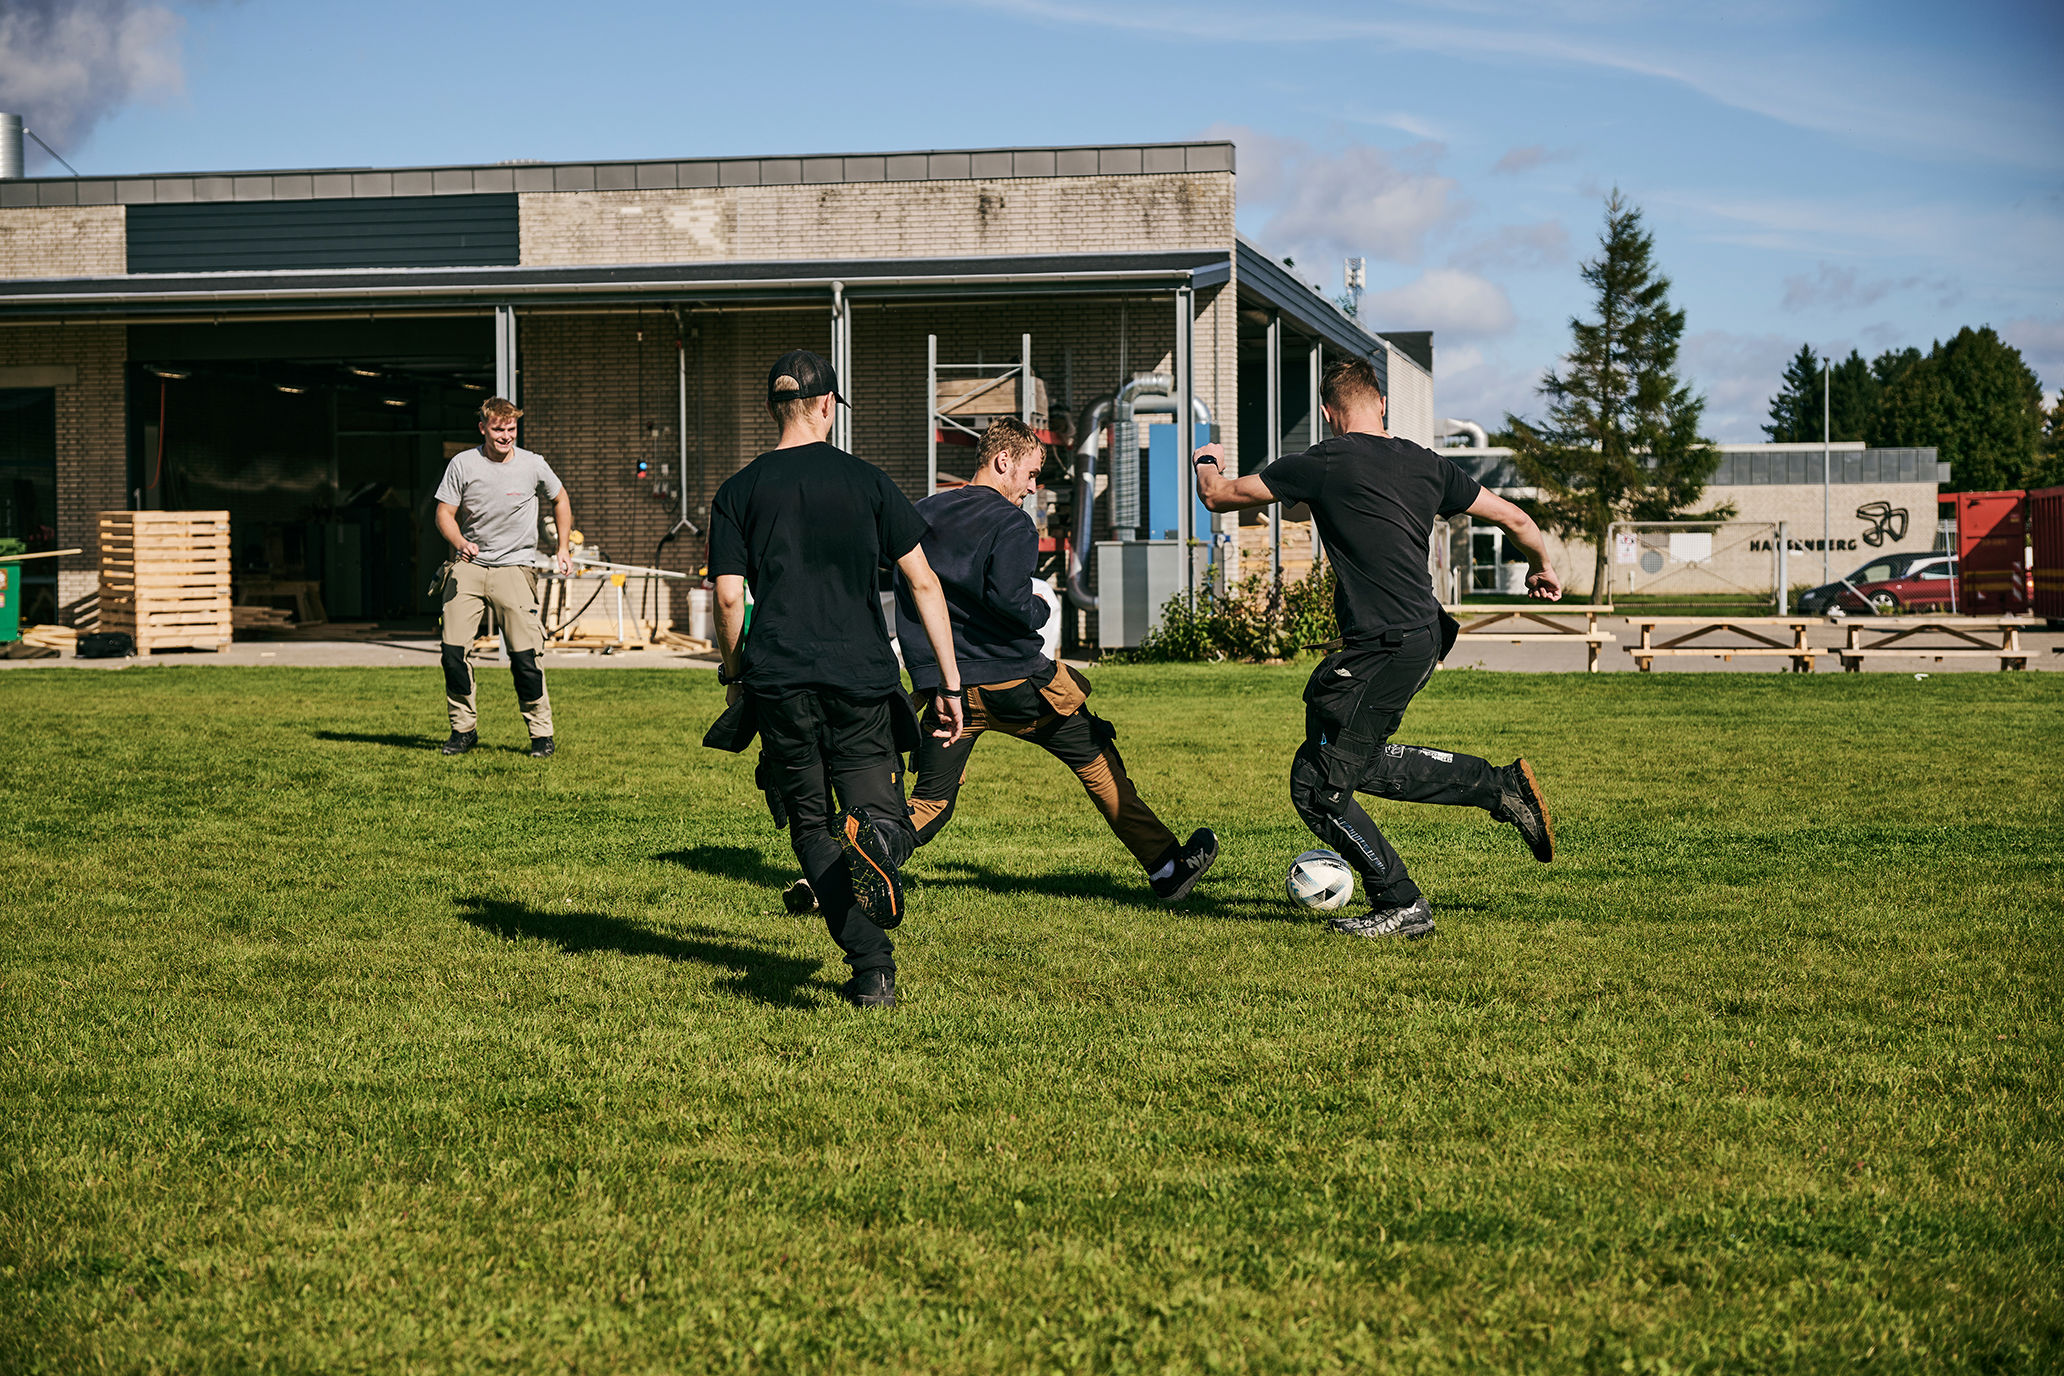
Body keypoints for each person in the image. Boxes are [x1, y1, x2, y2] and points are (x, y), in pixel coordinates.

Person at [1195, 358, 1559, 942]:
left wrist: (1204, 457)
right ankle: (1499, 788)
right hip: (1421, 636)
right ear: (1382, 404)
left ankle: (1403, 903)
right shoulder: (1426, 464)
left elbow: (1216, 496)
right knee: (1355, 762)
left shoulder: (1323, 461)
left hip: (1383, 644)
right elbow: (1515, 516)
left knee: (1318, 785)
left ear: (1326, 413)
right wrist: (1542, 567)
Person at [708, 349, 966, 1010]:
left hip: (781, 681)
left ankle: (871, 966)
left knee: (811, 826)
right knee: (876, 808)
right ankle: (880, 838)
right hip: (860, 677)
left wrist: (735, 672)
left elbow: (731, 599)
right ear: (827, 406)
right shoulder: (869, 482)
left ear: (775, 409)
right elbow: (923, 582)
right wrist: (950, 684)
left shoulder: (738, 492)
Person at [889, 416, 1218, 902]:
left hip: (947, 691)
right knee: (1096, 757)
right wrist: (1040, 606)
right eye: (1031, 473)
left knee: (929, 802)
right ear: (1004, 461)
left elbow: (911, 589)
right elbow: (1009, 600)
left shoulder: (921, 513)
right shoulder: (1010, 521)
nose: (1032, 487)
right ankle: (1168, 866)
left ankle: (842, 872)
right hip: (1015, 683)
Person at [433, 397, 572, 758]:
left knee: (525, 658)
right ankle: (463, 729)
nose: (505, 436)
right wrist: (460, 542)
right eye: (498, 429)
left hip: (515, 568)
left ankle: (541, 735)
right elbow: (444, 514)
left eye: (511, 429)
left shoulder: (533, 465)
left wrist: (563, 547)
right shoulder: (463, 464)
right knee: (452, 652)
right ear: (483, 428)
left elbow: (560, 499)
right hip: (470, 565)